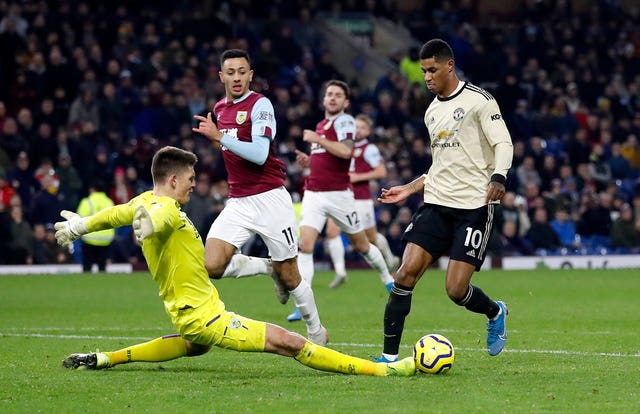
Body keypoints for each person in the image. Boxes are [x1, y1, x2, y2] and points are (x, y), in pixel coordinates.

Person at [54, 146, 415, 377]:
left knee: (194, 345)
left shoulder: (143, 202)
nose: (194, 185)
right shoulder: (161, 209)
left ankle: (106, 359)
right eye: (191, 180)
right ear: (174, 178)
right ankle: (384, 372)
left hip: (187, 311)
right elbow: (159, 218)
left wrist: (79, 226)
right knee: (291, 343)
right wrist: (148, 227)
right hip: (205, 316)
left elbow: (116, 214)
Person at [374, 39, 513, 362]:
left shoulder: (480, 101)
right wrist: (409, 188)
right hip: (436, 203)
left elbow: (503, 143)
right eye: (423, 71)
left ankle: (495, 312)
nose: (426, 77)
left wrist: (499, 176)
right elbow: (441, 164)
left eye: (432, 70)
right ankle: (389, 358)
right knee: (404, 274)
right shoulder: (432, 110)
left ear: (449, 65)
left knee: (455, 290)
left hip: (474, 207)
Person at [191, 49, 328, 345]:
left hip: (270, 199)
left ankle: (317, 332)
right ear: (221, 77)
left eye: (242, 71)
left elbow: (259, 153)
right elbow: (230, 152)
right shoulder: (220, 108)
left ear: (250, 75)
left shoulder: (260, 105)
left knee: (291, 275)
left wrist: (220, 137)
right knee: (212, 265)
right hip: (238, 201)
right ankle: (268, 268)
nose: (237, 77)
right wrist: (220, 139)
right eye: (231, 72)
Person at [288, 80, 394, 322]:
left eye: (338, 95)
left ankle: (389, 281)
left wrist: (318, 139)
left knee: (362, 245)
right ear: (324, 100)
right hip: (314, 193)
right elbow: (326, 155)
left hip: (339, 195)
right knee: (305, 245)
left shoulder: (345, 121)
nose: (332, 98)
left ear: (345, 102)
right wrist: (309, 160)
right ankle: (302, 304)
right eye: (329, 94)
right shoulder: (321, 124)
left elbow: (346, 151)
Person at [324, 114, 399, 289]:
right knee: (331, 231)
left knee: (370, 238)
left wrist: (358, 177)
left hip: (361, 200)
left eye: (362, 127)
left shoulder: (369, 148)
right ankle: (340, 272)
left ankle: (390, 259)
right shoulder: (342, 145)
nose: (358, 130)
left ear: (368, 131)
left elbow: (381, 172)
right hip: (341, 196)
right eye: (355, 126)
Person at [76, 182, 115, 272]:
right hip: (106, 240)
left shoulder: (87, 202)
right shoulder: (109, 202)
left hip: (89, 239)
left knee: (87, 268)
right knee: (102, 268)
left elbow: (78, 220)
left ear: (92, 189)